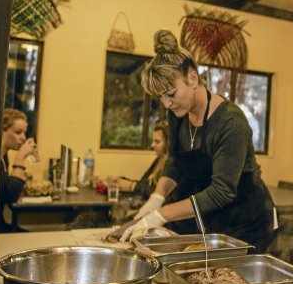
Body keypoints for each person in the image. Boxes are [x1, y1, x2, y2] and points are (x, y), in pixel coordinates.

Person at [118, 29, 275, 252]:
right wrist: (157, 196)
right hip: (208, 218)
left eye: (171, 94)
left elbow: (221, 192)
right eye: (160, 97)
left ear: (192, 78)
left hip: (245, 223)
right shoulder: (178, 114)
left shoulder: (231, 122)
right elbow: (175, 159)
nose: (166, 104)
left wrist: (161, 214)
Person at [0, 108, 37, 233]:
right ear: (2, 131)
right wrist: (20, 158)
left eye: (24, 133)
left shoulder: (3, 157)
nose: (23, 137)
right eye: (18, 132)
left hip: (0, 222)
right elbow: (10, 195)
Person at [114, 122, 169, 200]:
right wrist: (122, 180)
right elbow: (143, 183)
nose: (152, 145)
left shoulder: (171, 165)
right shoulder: (158, 160)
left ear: (168, 143)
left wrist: (131, 185)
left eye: (157, 141)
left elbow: (158, 194)